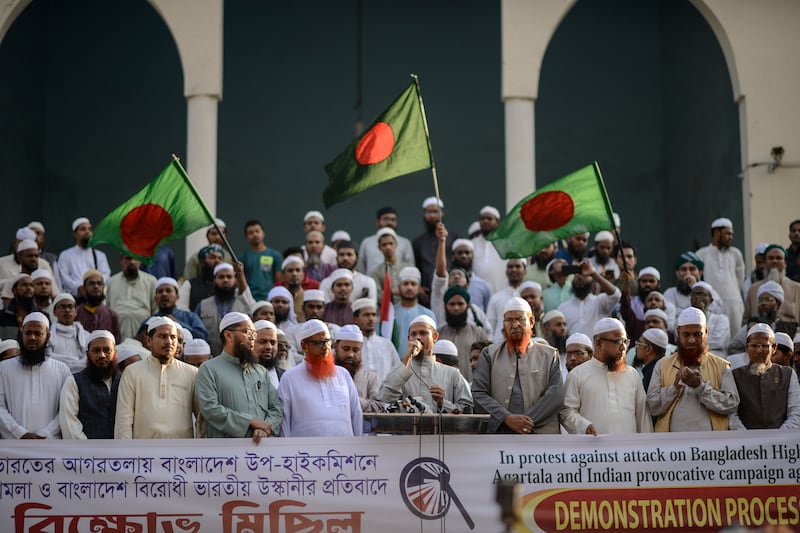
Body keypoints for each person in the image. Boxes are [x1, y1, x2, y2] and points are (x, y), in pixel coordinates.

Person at [471, 297, 563, 433]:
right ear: (504, 324)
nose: (515, 325)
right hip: (501, 435)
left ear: (531, 321)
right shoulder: (489, 354)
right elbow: (478, 393)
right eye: (509, 320)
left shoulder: (550, 355)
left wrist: (525, 422)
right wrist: (506, 418)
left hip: (540, 438)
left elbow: (556, 395)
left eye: (520, 319)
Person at [647, 307, 739, 432]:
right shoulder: (663, 365)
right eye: (686, 334)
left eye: (697, 334)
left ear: (706, 332)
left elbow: (731, 404)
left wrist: (700, 387)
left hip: (713, 447)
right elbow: (652, 407)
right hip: (672, 447)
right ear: (678, 332)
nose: (691, 340)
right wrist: (674, 388)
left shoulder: (721, 366)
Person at [195, 312, 282, 442]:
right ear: (228, 335)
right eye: (247, 332)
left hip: (260, 450)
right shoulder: (209, 369)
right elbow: (210, 408)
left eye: (254, 333)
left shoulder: (261, 372)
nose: (252, 338)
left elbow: (276, 408)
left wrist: (264, 428)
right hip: (225, 453)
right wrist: (250, 422)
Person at [560, 317, 653, 435]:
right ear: (598, 343)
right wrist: (583, 426)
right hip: (594, 450)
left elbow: (643, 416)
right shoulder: (577, 374)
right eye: (617, 341)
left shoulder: (632, 374)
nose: (623, 347)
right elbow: (566, 412)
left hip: (629, 450)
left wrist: (647, 446)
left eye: (625, 341)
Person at [114, 317, 199, 438]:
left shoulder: (192, 373)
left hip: (182, 452)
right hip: (143, 452)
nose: (169, 342)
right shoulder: (132, 372)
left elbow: (201, 418)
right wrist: (126, 453)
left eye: (173, 337)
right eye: (162, 336)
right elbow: (124, 419)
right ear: (149, 341)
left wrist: (201, 449)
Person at [278, 319, 362, 437]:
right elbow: (284, 422)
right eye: (318, 342)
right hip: (305, 453)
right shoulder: (289, 378)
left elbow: (356, 415)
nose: (325, 347)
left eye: (327, 341)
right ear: (304, 346)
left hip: (344, 451)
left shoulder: (343, 374)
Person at [380, 315, 473, 414]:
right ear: (409, 338)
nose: (418, 338)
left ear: (435, 337)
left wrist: (443, 403)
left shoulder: (452, 374)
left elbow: (468, 410)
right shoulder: (398, 372)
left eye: (423, 333)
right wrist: (407, 357)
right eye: (413, 334)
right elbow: (385, 399)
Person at [0, 312, 71, 438]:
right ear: (22, 335)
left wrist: (46, 433)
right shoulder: (3, 368)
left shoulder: (62, 370)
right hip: (12, 448)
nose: (32, 337)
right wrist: (20, 433)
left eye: (38, 333)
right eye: (28, 333)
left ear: (47, 336)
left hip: (51, 445)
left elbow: (66, 410)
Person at [728, 324, 800, 430]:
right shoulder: (735, 375)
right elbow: (732, 415)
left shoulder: (788, 375)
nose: (759, 351)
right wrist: (749, 438)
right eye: (754, 346)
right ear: (747, 348)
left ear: (774, 348)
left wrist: (776, 439)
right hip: (747, 443)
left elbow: (796, 412)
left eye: (765, 346)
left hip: (781, 444)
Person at [59, 330, 120, 439]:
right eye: (96, 351)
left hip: (121, 451)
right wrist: (87, 449)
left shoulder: (125, 380)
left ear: (114, 353)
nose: (102, 355)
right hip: (86, 452)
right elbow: (69, 422)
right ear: (88, 354)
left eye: (107, 350)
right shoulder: (74, 382)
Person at [696, 217, 745, 334]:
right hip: (713, 303)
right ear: (717, 233)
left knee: (735, 335)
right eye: (727, 234)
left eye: (731, 234)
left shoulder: (735, 253)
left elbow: (740, 279)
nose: (731, 237)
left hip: (734, 303)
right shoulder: (701, 254)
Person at [195, 262, 255, 355]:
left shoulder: (244, 303)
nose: (225, 280)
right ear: (214, 280)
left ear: (235, 279)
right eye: (221, 277)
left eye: (229, 277)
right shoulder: (202, 305)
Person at [436, 285, 488, 381]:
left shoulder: (479, 333)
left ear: (467, 306)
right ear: (445, 306)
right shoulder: (438, 334)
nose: (456, 308)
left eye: (460, 304)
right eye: (452, 304)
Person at [558, 260, 621, 338]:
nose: (580, 277)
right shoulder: (563, 307)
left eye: (584, 275)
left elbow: (616, 295)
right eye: (577, 275)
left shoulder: (600, 301)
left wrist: (593, 273)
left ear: (593, 280)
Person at [413, 197, 457, 304]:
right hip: (426, 293)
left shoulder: (453, 237)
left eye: (435, 211)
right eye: (429, 212)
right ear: (424, 215)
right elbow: (416, 266)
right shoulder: (418, 241)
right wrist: (419, 287)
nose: (432, 215)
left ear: (442, 213)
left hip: (450, 288)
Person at [743, 244, 800, 326]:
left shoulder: (797, 289)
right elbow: (746, 322)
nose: (774, 261)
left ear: (785, 263)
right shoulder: (753, 289)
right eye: (771, 258)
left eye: (779, 258)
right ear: (765, 262)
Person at [333, 324, 384, 413]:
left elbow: (378, 407)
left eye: (355, 350)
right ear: (335, 347)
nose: (350, 354)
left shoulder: (371, 379)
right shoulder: (325, 375)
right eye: (346, 349)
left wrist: (350, 399)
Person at [106, 254, 157, 340]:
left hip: (143, 334)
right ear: (122, 260)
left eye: (136, 258)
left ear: (140, 261)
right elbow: (107, 309)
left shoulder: (151, 281)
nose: (132, 262)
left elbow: (156, 310)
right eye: (128, 258)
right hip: (117, 334)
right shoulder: (111, 282)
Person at [57, 217, 111, 299]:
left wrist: (93, 286)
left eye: (90, 229)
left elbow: (106, 275)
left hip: (96, 296)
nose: (87, 232)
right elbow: (64, 278)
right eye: (83, 229)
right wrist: (78, 288)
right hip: (75, 298)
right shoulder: (66, 255)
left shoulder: (100, 255)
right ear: (75, 234)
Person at [351, 298, 400, 382]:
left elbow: (398, 371)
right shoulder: (352, 345)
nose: (371, 319)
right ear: (355, 319)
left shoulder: (387, 344)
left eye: (374, 315)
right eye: (366, 315)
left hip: (384, 392)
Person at [357, 206, 415, 275]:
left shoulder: (405, 242)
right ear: (377, 221)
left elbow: (411, 268)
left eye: (393, 220)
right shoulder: (367, 242)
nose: (390, 222)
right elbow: (361, 268)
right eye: (386, 219)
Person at [393, 266, 435, 356]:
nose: (409, 288)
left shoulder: (428, 315)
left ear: (419, 287)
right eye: (405, 284)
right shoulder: (391, 314)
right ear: (399, 287)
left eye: (413, 284)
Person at [486, 258, 528, 342]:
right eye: (510, 267)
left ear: (525, 271)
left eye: (517, 266)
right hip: (499, 344)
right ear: (506, 271)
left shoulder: (529, 296)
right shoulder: (496, 297)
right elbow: (490, 326)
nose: (513, 269)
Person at [241, 219, 283, 300]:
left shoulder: (275, 255)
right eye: (251, 233)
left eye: (257, 231)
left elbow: (279, 281)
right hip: (249, 299)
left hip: (269, 298)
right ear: (247, 237)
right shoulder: (242, 257)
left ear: (263, 233)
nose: (255, 234)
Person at [48, 293, 89, 372]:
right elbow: (48, 357)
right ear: (54, 312)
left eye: (70, 307)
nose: (67, 310)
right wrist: (74, 361)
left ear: (76, 311)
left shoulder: (86, 336)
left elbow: (89, 358)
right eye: (62, 307)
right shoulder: (48, 337)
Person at [76, 270, 121, 342]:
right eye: (92, 283)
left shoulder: (112, 315)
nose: (96, 286)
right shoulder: (76, 313)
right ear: (84, 288)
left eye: (99, 283)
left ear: (103, 287)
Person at [178, 243, 224, 311]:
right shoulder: (190, 285)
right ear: (202, 262)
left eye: (220, 258)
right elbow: (181, 309)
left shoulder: (228, 286)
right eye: (212, 257)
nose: (217, 261)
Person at [450, 238, 492, 312]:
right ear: (453, 256)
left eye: (467, 253)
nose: (464, 256)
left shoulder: (483, 285)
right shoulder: (446, 282)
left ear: (473, 256)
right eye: (460, 253)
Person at [689, 281, 730, 353]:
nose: (698, 297)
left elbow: (718, 342)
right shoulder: (683, 317)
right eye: (694, 294)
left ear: (711, 300)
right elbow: (680, 339)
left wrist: (691, 343)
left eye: (702, 294)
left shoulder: (721, 319)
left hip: (715, 357)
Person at [0, 274, 39, 340]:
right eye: (24, 285)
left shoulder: (41, 316)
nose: (29, 288)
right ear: (14, 290)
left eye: (31, 285)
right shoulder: (1, 317)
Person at [254, 320, 285, 387]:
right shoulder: (240, 374)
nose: (269, 347)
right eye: (262, 342)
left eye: (273, 343)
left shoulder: (284, 376)